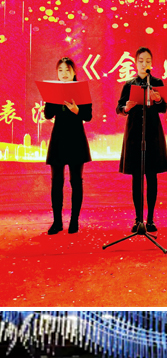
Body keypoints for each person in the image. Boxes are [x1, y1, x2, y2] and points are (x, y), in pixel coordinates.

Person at [116, 47, 167, 233]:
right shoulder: (129, 84)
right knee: (137, 178)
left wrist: (158, 99)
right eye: (141, 61)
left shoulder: (157, 82)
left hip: (152, 133)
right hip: (134, 134)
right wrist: (126, 107)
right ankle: (138, 219)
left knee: (152, 176)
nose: (144, 64)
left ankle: (151, 219)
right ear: (135, 63)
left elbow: (163, 108)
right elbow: (119, 108)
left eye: (147, 61)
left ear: (151, 63)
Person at [43, 57, 92, 235]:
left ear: (73, 72)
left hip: (76, 139)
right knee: (56, 182)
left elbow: (88, 115)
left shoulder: (81, 90)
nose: (64, 74)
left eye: (67, 70)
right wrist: (53, 99)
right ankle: (57, 222)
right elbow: (48, 114)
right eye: (60, 70)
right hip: (58, 139)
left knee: (76, 181)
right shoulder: (53, 91)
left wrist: (76, 110)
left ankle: (74, 221)